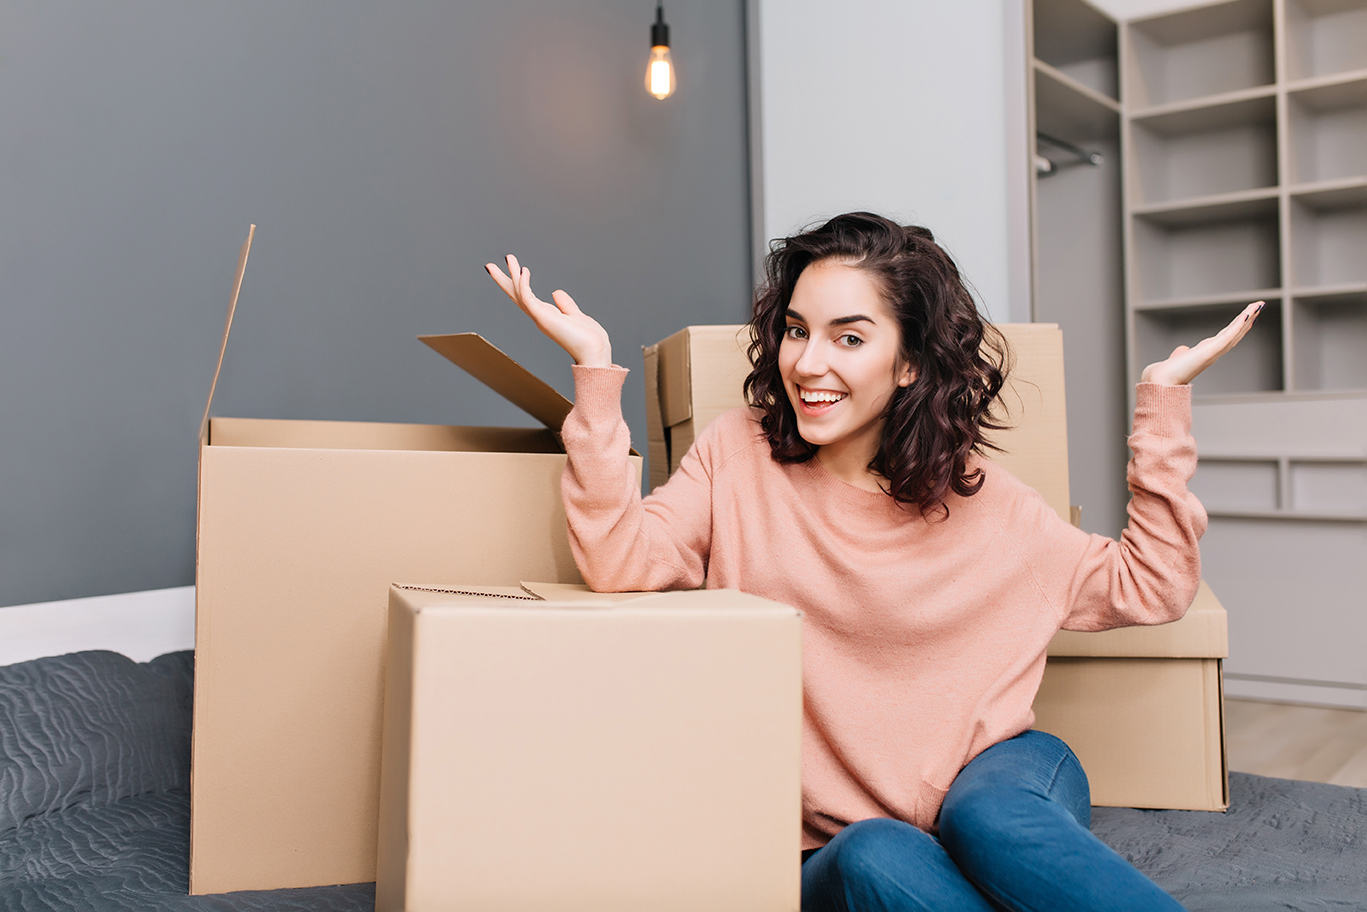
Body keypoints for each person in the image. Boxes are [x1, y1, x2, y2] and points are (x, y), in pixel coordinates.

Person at [486, 212, 1261, 912]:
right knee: (871, 855)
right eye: (796, 331)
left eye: (849, 338)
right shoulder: (736, 453)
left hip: (998, 775)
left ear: (910, 364)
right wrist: (593, 374)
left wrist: (1160, 405)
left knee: (983, 814)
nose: (808, 363)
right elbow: (620, 562)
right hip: (827, 836)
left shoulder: (989, 505)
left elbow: (1152, 588)